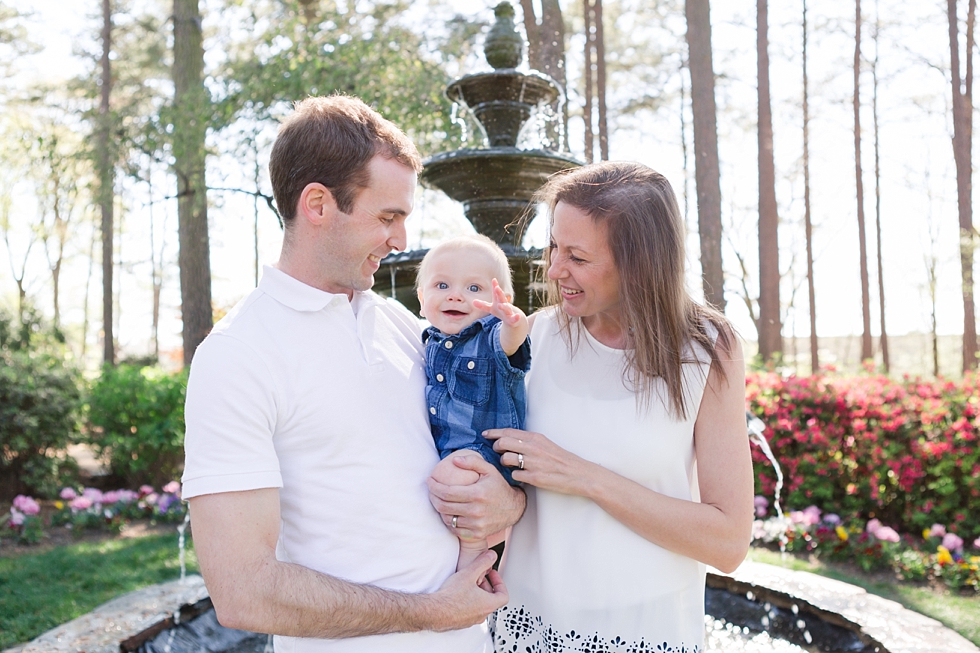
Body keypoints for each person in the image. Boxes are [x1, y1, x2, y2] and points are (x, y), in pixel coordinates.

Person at [180, 95, 526, 653]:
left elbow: (482, 437)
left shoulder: (402, 324)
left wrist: (510, 503)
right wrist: (432, 613)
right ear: (317, 204)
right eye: (388, 217)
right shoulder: (237, 354)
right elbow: (243, 590)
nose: (402, 241)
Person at [482, 161, 754, 652]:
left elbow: (729, 542)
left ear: (639, 263)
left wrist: (583, 476)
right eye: (553, 247)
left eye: (579, 258)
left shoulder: (708, 350)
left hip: (648, 630)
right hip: (529, 626)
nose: (554, 270)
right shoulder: (531, 339)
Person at [415, 234, 530, 571]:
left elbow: (511, 344)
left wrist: (513, 322)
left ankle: (473, 557)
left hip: (485, 455)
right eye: (441, 285)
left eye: (474, 289)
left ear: (501, 300)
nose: (455, 295)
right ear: (421, 299)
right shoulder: (427, 340)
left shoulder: (489, 337)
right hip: (449, 452)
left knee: (454, 477)